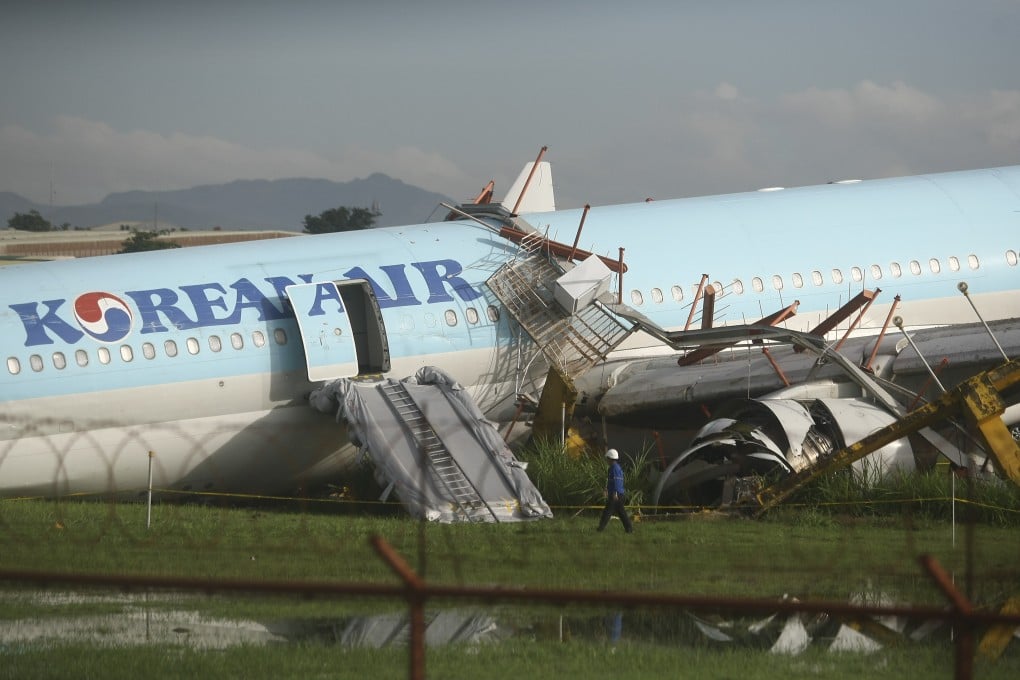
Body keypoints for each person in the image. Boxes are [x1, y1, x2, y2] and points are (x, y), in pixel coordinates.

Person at [597, 449, 633, 533]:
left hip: (616, 495)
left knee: (607, 512)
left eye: (607, 458)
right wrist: (606, 489)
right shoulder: (613, 468)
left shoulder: (615, 469)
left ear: (610, 458)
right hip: (617, 494)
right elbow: (611, 481)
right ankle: (629, 529)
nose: (606, 460)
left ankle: (600, 529)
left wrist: (615, 493)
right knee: (622, 513)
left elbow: (617, 482)